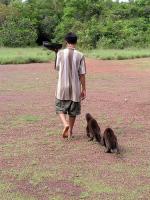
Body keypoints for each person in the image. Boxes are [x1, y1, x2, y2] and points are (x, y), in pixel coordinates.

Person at [55, 32, 86, 139]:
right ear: (76, 42)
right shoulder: (80, 55)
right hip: (75, 87)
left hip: (62, 86)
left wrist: (56, 54)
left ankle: (65, 124)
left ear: (66, 41)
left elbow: (57, 67)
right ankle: (71, 131)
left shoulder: (60, 53)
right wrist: (84, 89)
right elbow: (82, 74)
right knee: (73, 111)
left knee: (60, 108)